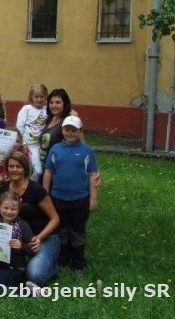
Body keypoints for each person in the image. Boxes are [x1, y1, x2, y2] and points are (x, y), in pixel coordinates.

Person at [43, 116, 98, 274]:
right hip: (58, 198)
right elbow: (48, 172)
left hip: (79, 199)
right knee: (61, 230)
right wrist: (45, 195)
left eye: (74, 130)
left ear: (80, 131)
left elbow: (93, 175)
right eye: (67, 130)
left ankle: (78, 262)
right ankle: (62, 259)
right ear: (62, 130)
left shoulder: (87, 151)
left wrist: (93, 198)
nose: (70, 133)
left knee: (78, 231)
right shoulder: (55, 149)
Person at [1, 150, 60, 285]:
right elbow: (1, 213)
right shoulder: (4, 186)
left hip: (43, 237)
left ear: (25, 169)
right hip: (18, 236)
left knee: (34, 275)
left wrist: (39, 238)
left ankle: (53, 266)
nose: (14, 169)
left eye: (18, 166)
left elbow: (55, 219)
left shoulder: (36, 189)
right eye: (11, 166)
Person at [16, 83, 48, 181]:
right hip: (29, 145)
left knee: (43, 169)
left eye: (42, 96)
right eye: (36, 97)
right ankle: (30, 185)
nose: (39, 99)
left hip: (42, 146)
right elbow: (19, 126)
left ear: (46, 97)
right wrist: (23, 143)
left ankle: (34, 185)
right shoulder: (27, 109)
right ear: (31, 97)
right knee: (37, 171)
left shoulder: (47, 110)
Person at [40, 88, 78, 164]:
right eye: (51, 102)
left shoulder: (68, 122)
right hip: (43, 163)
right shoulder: (49, 118)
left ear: (65, 104)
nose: (54, 105)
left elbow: (81, 144)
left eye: (58, 102)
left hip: (57, 165)